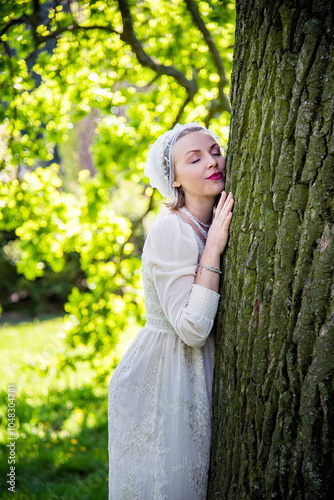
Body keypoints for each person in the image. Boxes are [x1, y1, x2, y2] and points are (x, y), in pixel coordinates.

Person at [108, 122, 234, 500]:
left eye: (214, 150)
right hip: (168, 376)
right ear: (174, 179)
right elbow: (193, 328)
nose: (212, 161)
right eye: (194, 159)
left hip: (196, 369)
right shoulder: (172, 231)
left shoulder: (214, 217)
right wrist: (212, 249)